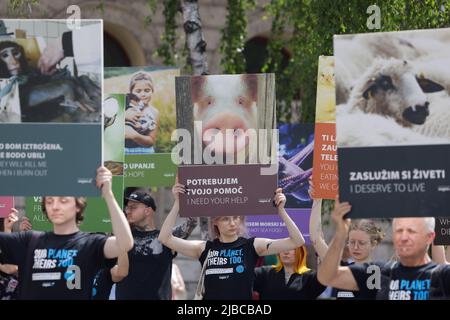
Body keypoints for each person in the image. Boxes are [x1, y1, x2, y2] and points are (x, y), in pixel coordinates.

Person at [0, 166, 134, 300]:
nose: (55, 207)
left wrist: (108, 195)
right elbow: (8, 268)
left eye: (63, 200)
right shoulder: (29, 240)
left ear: (78, 206)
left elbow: (125, 243)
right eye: (49, 201)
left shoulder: (90, 243)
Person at [158, 185, 304, 300]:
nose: (232, 223)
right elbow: (164, 238)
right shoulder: (204, 248)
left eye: (236, 217)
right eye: (225, 219)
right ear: (216, 222)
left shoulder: (252, 245)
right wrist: (177, 202)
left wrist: (281, 211)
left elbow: (297, 241)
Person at [317, 199, 450, 300]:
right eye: (399, 231)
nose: (403, 237)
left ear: (429, 237)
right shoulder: (378, 272)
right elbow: (328, 277)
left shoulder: (441, 275)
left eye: (411, 231)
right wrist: (341, 232)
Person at [309, 180, 384, 299]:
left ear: (373, 244)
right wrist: (317, 199)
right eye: (352, 242)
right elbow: (315, 237)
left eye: (361, 243)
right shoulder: (337, 267)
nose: (355, 247)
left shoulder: (381, 271)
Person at [115, 190, 197, 300]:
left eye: (133, 207)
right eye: (127, 207)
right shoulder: (121, 236)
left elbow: (192, 222)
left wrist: (179, 199)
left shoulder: (166, 238)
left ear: (148, 211)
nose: (128, 211)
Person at [253, 246, 326, 300]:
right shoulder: (265, 273)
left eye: (292, 248)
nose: (286, 252)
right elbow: (243, 276)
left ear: (301, 252)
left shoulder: (310, 277)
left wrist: (318, 242)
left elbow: (327, 272)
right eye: (283, 248)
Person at [124, 72, 159, 154]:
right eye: (138, 91)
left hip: (146, 151)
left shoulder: (154, 112)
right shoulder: (125, 107)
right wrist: (124, 116)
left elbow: (151, 141)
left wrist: (135, 135)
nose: (143, 94)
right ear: (131, 92)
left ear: (152, 91)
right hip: (123, 150)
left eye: (147, 90)